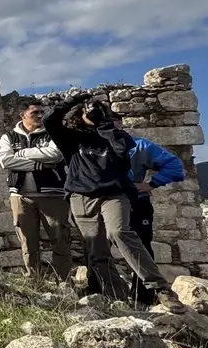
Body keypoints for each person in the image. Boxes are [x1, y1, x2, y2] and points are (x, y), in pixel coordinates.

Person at [42, 94, 171, 303]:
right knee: (96, 249)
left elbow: (122, 150)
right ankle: (115, 298)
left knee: (119, 231)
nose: (91, 113)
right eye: (88, 110)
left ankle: (160, 287)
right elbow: (49, 120)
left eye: (96, 110)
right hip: (81, 196)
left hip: (114, 194)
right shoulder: (71, 138)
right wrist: (73, 101)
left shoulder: (116, 135)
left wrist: (102, 121)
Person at [0, 100, 72, 282]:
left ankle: (64, 280)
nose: (40, 116)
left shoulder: (52, 133)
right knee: (27, 241)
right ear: (22, 115)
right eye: (35, 113)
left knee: (60, 239)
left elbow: (55, 156)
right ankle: (34, 279)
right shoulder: (8, 137)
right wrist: (40, 163)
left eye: (41, 112)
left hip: (52, 195)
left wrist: (22, 154)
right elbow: (6, 162)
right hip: (20, 196)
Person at [121, 119, 185, 258]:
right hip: (104, 202)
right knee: (99, 246)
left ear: (120, 124)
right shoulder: (92, 146)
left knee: (142, 245)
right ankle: (104, 279)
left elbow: (174, 166)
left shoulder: (140, 146)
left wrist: (151, 184)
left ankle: (145, 280)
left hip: (135, 202)